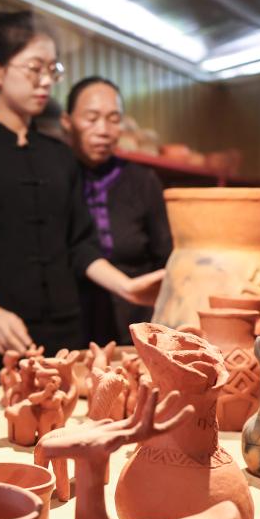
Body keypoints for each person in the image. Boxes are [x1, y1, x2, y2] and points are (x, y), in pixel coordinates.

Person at [0, 11, 163, 378]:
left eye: (52, 70)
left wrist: (128, 287)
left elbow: (80, 244)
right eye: (34, 69)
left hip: (65, 335)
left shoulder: (60, 155)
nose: (45, 82)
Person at [61, 76, 173, 345]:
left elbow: (166, 256)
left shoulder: (143, 181)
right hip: (71, 325)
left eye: (114, 119)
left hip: (134, 325)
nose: (103, 130)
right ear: (67, 122)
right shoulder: (56, 178)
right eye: (91, 118)